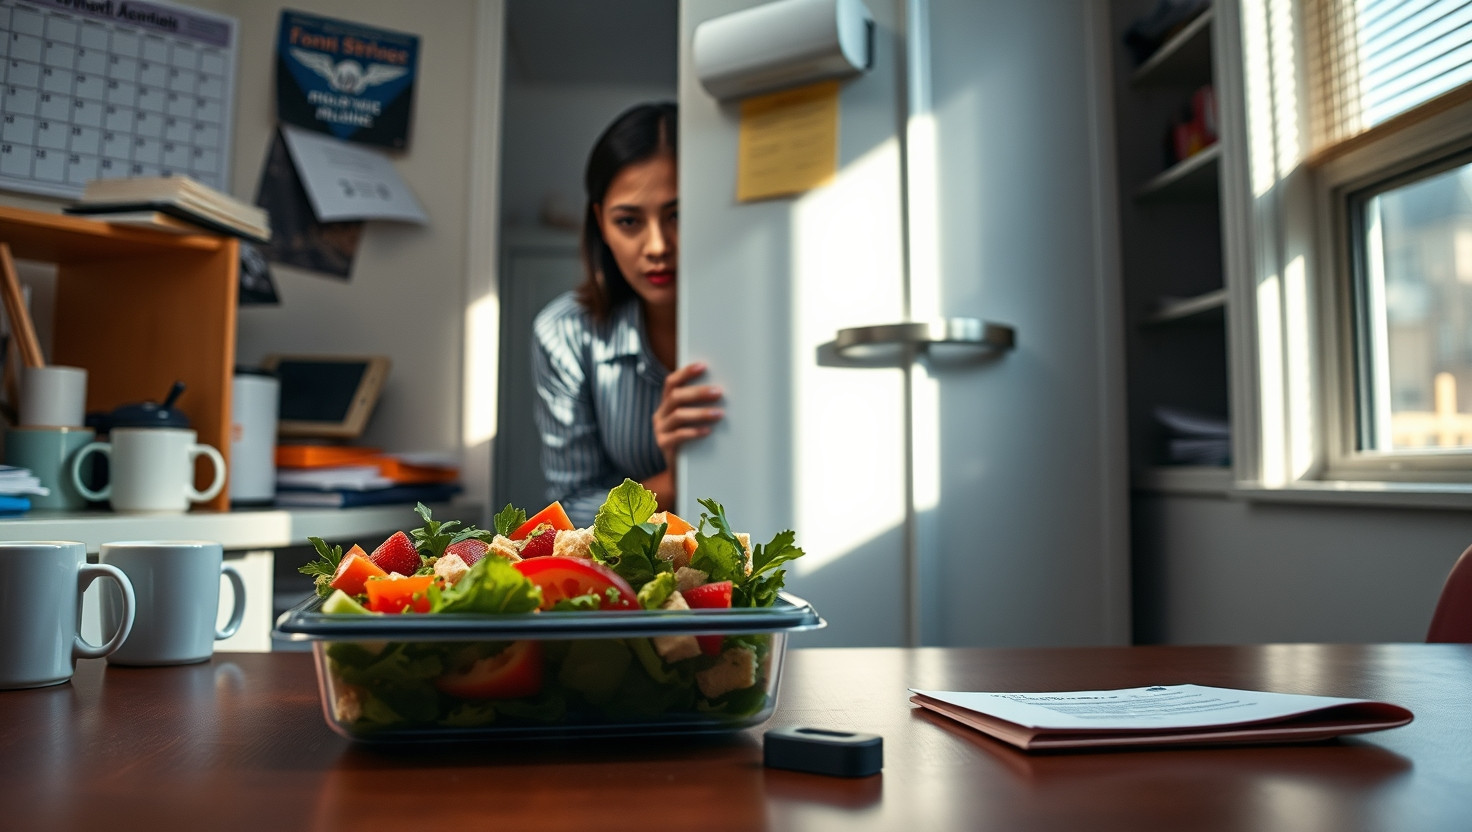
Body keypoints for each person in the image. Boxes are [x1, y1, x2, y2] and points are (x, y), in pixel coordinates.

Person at [531, 102, 723, 526]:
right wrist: (675, 480)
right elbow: (569, 511)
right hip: (633, 562)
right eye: (629, 221)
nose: (657, 246)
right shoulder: (565, 332)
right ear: (601, 223)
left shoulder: (761, 322)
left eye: (678, 215)